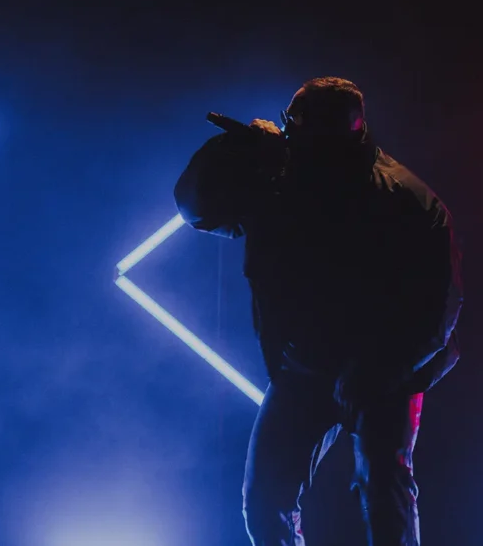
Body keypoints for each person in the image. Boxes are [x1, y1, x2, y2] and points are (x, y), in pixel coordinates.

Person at [173, 77, 462, 546]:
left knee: (384, 502)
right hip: (304, 370)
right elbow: (196, 208)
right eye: (292, 128)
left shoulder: (404, 199)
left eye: (304, 132)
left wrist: (377, 369)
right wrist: (238, 154)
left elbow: (440, 307)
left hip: (383, 376)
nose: (293, 140)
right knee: (266, 503)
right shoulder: (278, 181)